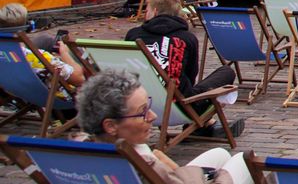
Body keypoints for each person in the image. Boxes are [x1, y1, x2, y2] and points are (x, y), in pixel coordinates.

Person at [77, 70, 251, 184]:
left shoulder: (79, 150)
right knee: (243, 161)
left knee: (220, 153)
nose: (152, 117)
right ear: (111, 126)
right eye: (142, 112)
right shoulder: (143, 162)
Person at [125, 0, 241, 131]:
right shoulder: (186, 38)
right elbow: (191, 75)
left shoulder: (133, 34)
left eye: (147, 10)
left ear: (155, 12)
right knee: (226, 72)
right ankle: (205, 124)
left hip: (136, 104)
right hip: (180, 107)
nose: (145, 14)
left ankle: (207, 124)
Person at [0, 3, 84, 98]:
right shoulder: (38, 57)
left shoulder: (6, 55)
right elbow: (79, 79)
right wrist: (64, 53)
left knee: (44, 39)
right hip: (50, 98)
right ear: (28, 27)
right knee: (79, 56)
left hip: (15, 94)